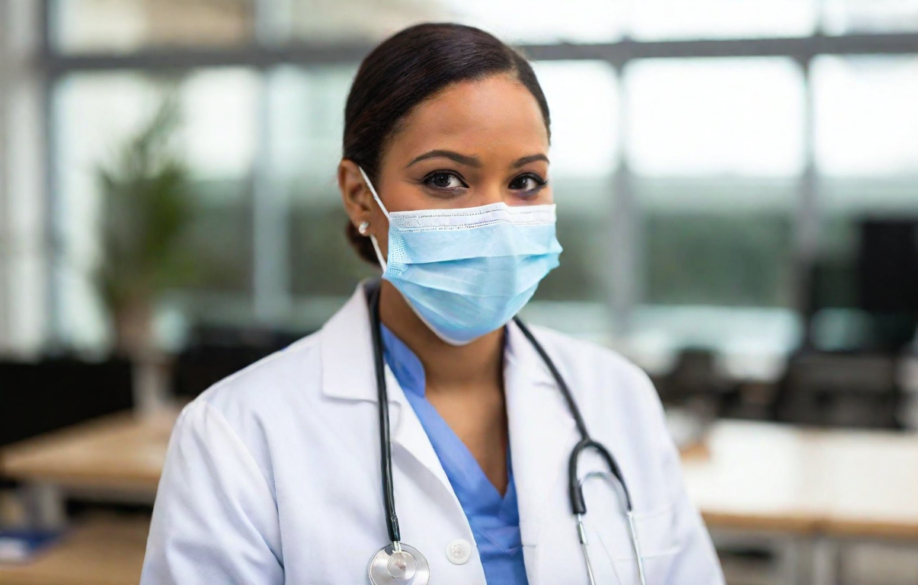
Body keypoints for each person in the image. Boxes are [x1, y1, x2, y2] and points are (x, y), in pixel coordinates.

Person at [141, 22, 723, 585]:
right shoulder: (238, 434)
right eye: (445, 179)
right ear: (357, 196)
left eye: (525, 181)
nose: (496, 218)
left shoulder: (616, 397)